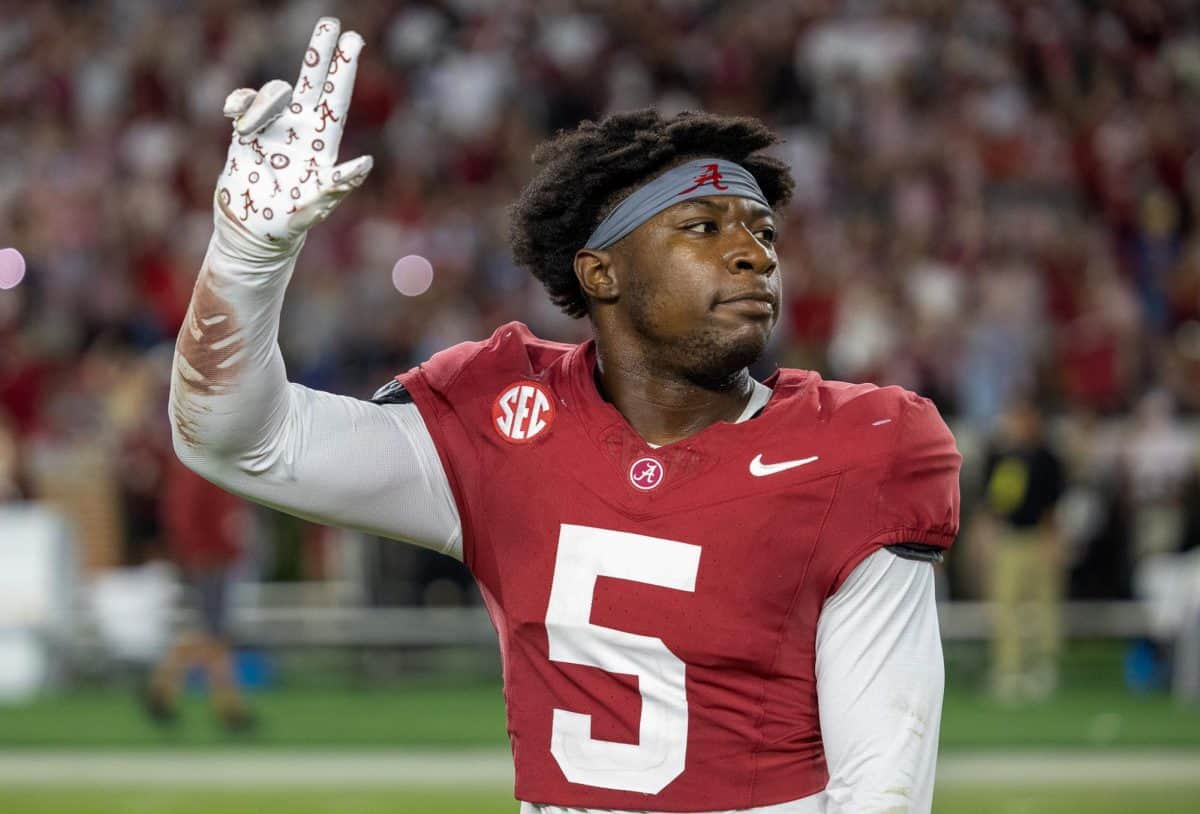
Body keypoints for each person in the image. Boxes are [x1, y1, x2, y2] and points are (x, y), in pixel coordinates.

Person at [170, 17, 960, 813]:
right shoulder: (506, 419)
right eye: (703, 227)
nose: (754, 252)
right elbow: (245, 442)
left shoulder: (861, 448)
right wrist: (246, 259)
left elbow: (883, 789)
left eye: (762, 230)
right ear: (601, 273)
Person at [142, 454, 253, 731]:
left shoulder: (205, 467)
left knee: (211, 633)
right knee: (211, 633)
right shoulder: (198, 469)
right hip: (208, 560)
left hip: (212, 559)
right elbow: (184, 516)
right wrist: (199, 552)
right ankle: (223, 705)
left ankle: (220, 704)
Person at [981, 399, 1065, 703]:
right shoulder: (1003, 457)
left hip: (1039, 538)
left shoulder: (1047, 458)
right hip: (1010, 540)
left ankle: (1042, 666)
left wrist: (1053, 542)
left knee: (1042, 607)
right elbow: (994, 503)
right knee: (1006, 607)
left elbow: (1054, 504)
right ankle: (1009, 668)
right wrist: (989, 538)